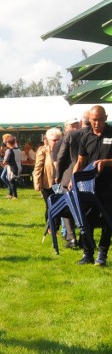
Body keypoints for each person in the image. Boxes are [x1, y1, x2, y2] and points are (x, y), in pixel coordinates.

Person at [73, 105, 112, 266]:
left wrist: (107, 162)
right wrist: (73, 179)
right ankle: (87, 253)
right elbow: (81, 161)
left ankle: (102, 253)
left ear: (106, 118)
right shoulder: (85, 137)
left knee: (108, 220)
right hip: (89, 186)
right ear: (89, 119)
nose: (97, 123)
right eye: (94, 120)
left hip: (109, 186)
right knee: (87, 218)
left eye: (101, 120)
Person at [57, 114, 89, 249]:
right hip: (89, 175)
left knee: (67, 208)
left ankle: (71, 238)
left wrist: (58, 176)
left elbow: (61, 157)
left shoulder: (71, 135)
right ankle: (84, 237)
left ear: (81, 122)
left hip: (69, 175)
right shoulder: (95, 134)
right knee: (86, 208)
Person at [33, 128, 61, 228]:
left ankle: (57, 227)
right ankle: (51, 228)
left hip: (61, 183)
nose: (57, 142)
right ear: (48, 140)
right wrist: (37, 183)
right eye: (54, 140)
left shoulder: (64, 149)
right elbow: (38, 167)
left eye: (59, 139)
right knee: (50, 206)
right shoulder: (43, 150)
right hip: (47, 183)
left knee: (60, 206)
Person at [1, 135, 22, 199]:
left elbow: (6, 161)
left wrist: (3, 163)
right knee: (12, 180)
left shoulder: (9, 151)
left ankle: (15, 195)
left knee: (11, 181)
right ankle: (12, 194)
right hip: (18, 166)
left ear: (8, 143)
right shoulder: (18, 149)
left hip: (12, 167)